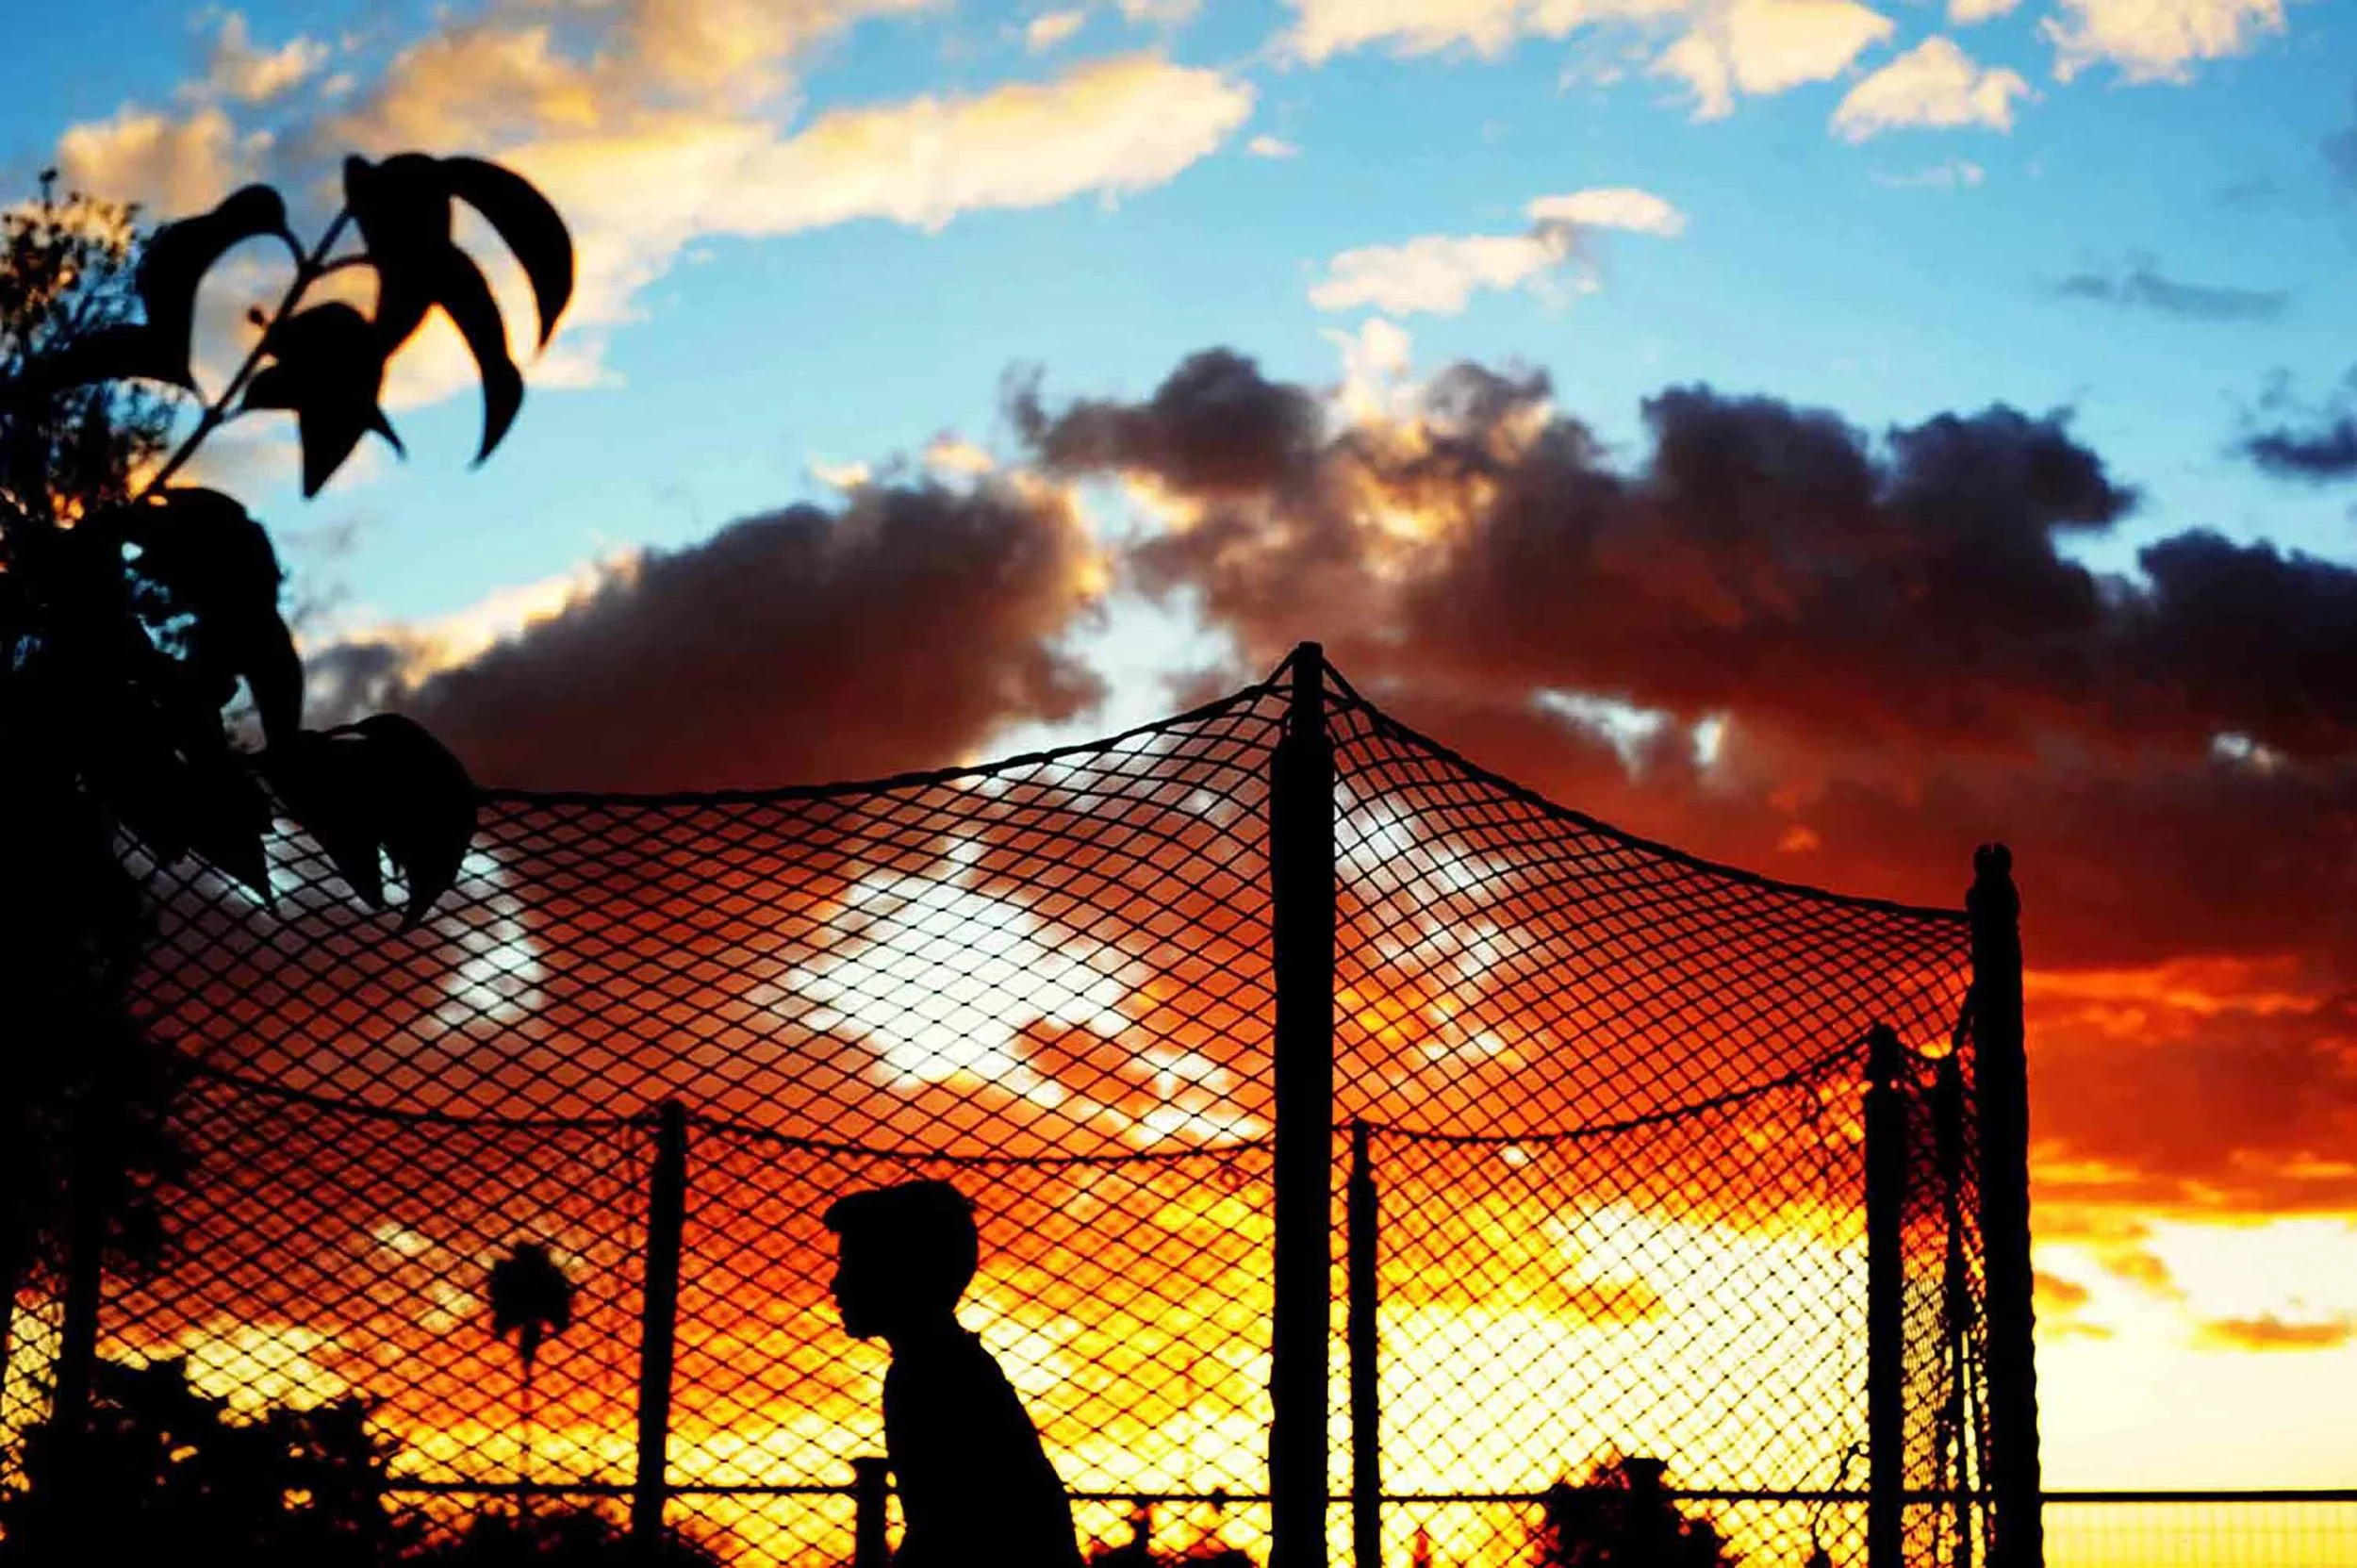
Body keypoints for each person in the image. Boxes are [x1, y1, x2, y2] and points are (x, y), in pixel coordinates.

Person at [825, 1180, 1086, 1568]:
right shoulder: (944, 1363)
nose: (836, 1282)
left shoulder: (931, 1375)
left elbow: (947, 1531)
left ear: (900, 1273)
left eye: (853, 1265)